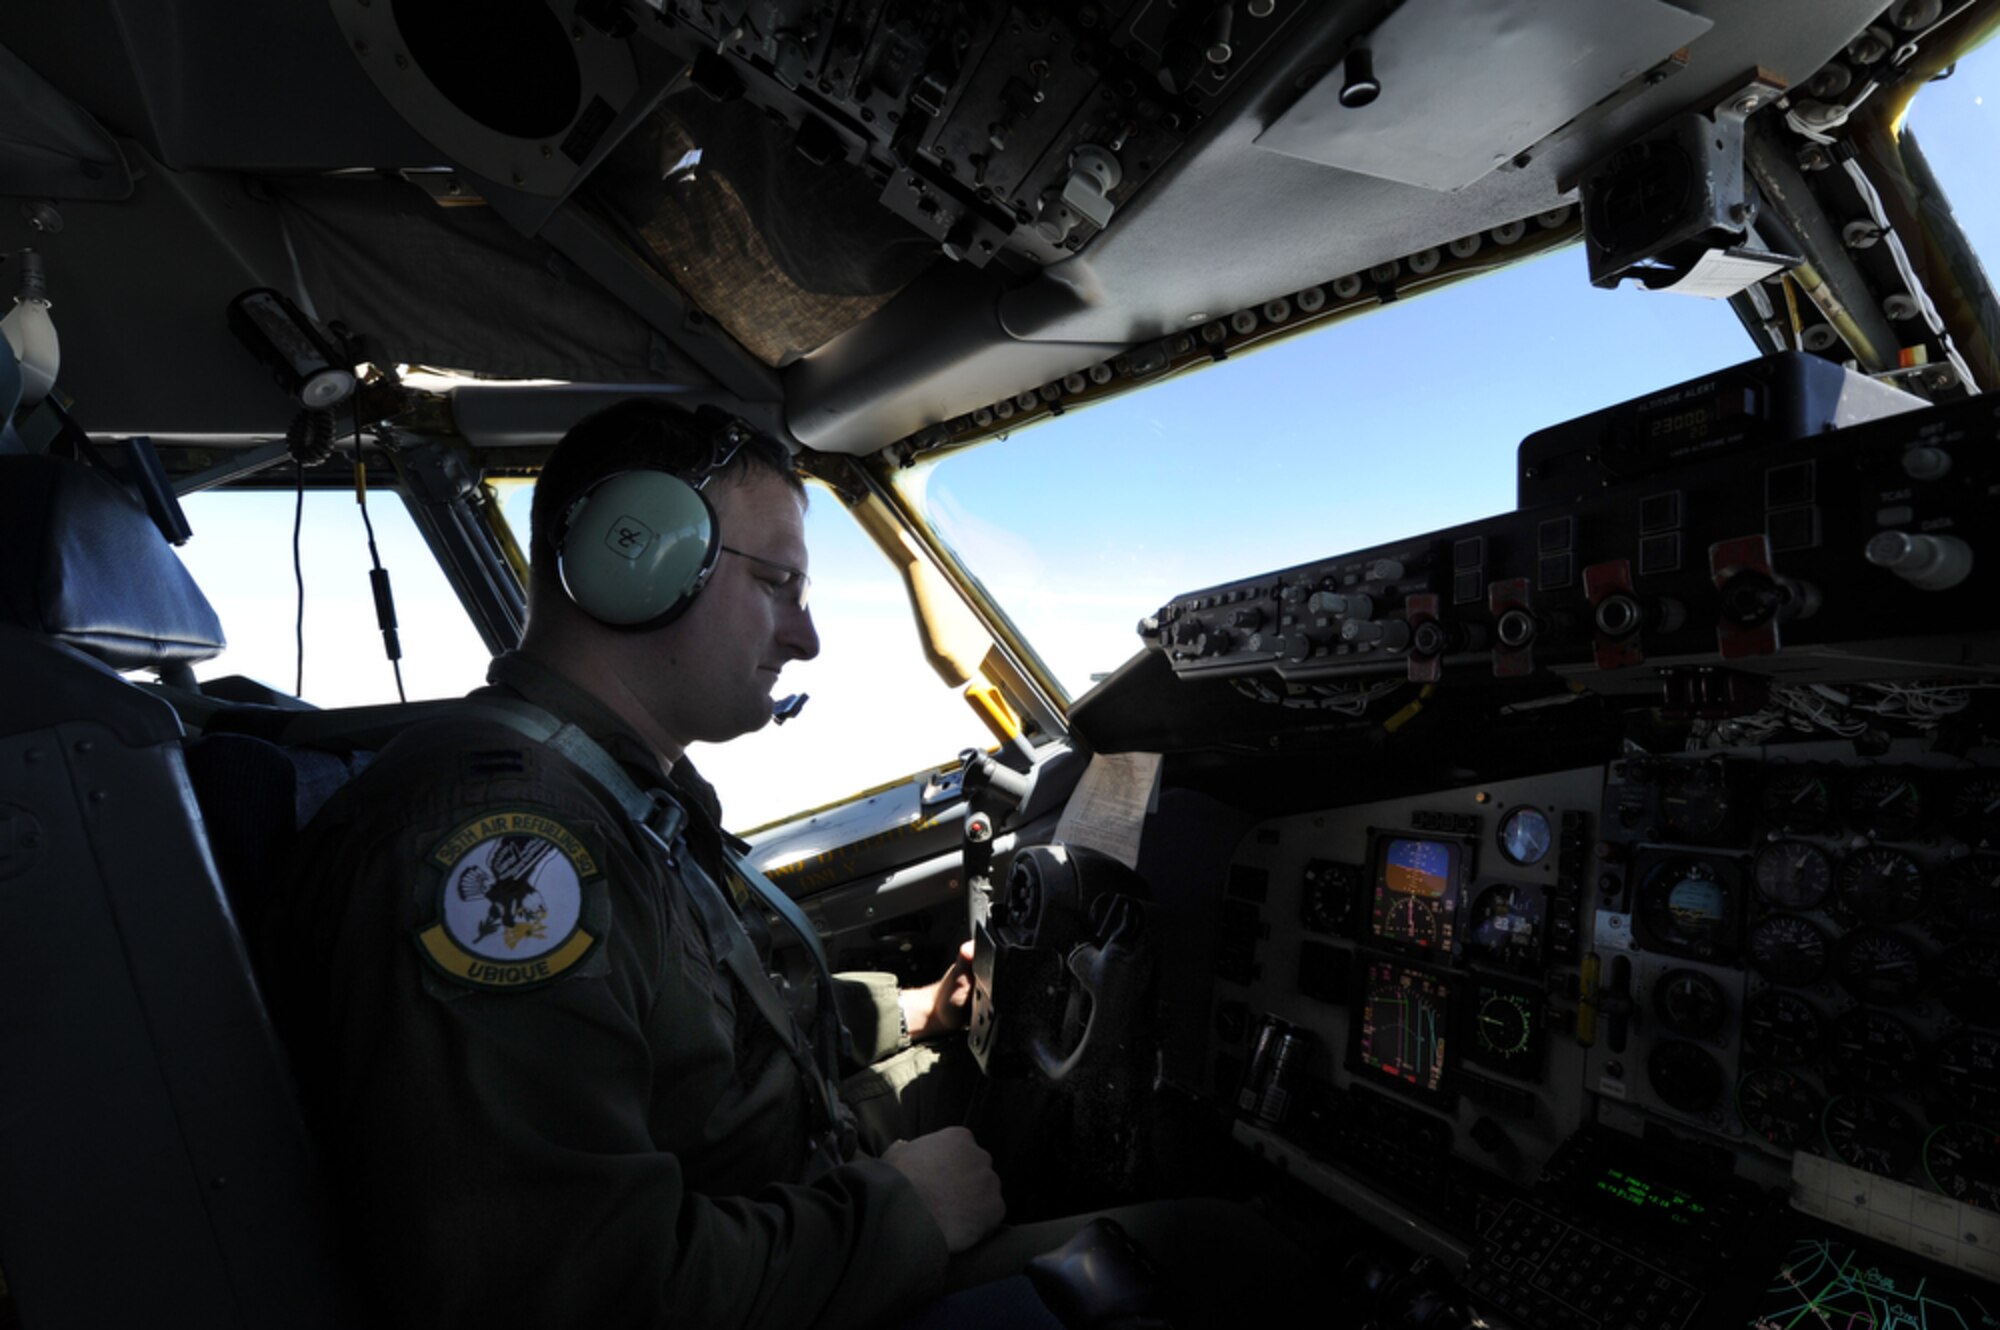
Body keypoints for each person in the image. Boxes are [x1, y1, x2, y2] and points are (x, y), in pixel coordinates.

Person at [261, 399, 1005, 1328]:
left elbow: (696, 1039)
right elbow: (566, 1292)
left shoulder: (606, 793)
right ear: (639, 560)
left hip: (790, 1211)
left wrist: (913, 1010)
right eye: (778, 583)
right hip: (786, 1263)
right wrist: (907, 1215)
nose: (804, 637)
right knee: (1190, 1247)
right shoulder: (512, 844)